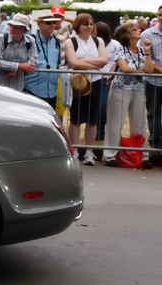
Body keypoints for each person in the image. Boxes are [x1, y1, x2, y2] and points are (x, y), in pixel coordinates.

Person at [104, 25, 153, 168]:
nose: (138, 30)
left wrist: (148, 53)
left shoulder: (142, 50)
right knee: (115, 122)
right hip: (121, 88)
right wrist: (142, 72)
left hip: (138, 89)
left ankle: (141, 154)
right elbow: (124, 68)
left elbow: (149, 69)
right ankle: (110, 155)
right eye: (133, 29)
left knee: (140, 123)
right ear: (126, 35)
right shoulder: (120, 49)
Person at [63, 12, 108, 165]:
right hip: (78, 82)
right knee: (75, 118)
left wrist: (83, 62)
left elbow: (104, 60)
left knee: (92, 119)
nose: (89, 27)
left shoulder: (98, 41)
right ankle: (74, 150)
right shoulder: (70, 42)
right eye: (86, 24)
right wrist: (94, 64)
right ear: (78, 26)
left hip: (95, 82)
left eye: (91, 24)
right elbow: (74, 63)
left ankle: (90, 151)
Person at [0, 13, 37, 93]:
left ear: (25, 30)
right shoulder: (0, 39)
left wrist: (16, 70)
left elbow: (33, 62)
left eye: (16, 27)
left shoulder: (30, 41)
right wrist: (19, 66)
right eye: (11, 26)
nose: (12, 29)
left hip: (17, 88)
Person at [23, 14, 63, 108]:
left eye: (54, 22)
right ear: (39, 24)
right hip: (31, 89)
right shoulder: (29, 40)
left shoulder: (57, 42)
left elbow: (57, 63)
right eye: (48, 22)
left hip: (51, 90)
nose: (52, 25)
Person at [142, 5, 162, 166]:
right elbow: (145, 60)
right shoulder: (147, 35)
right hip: (154, 82)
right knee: (153, 113)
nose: (161, 18)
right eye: (159, 15)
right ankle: (155, 145)